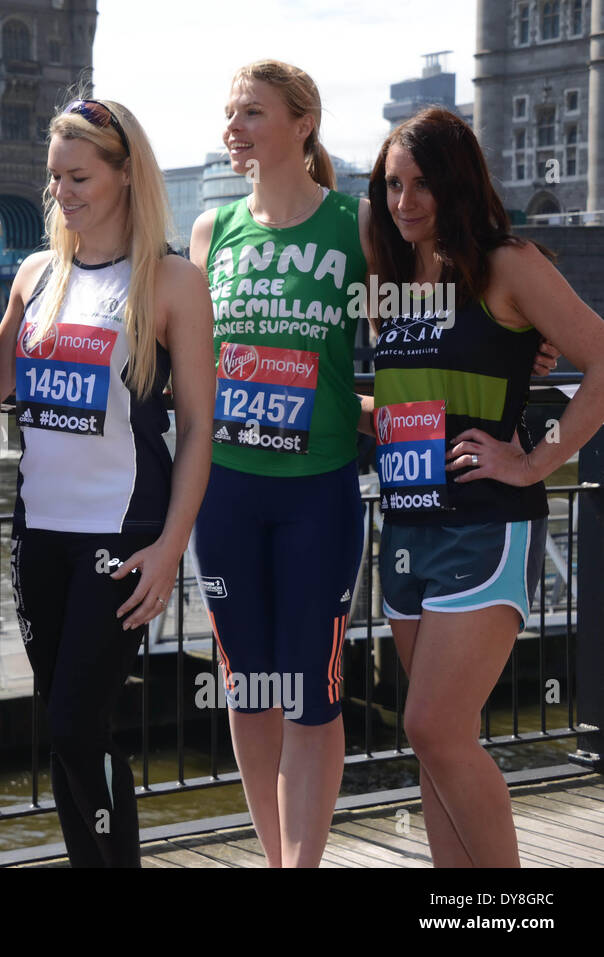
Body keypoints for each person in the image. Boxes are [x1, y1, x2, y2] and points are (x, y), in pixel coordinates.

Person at [366, 107, 604, 867]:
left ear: (458, 181)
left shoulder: (509, 262)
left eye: (422, 183)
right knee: (441, 746)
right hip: (406, 522)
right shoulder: (398, 273)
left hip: (483, 523)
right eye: (394, 184)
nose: (405, 201)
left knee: (432, 727)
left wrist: (536, 461)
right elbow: (408, 403)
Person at [0, 98, 215, 867]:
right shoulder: (34, 273)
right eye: (54, 178)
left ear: (127, 174)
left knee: (76, 725)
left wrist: (170, 547)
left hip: (120, 541)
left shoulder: (173, 284)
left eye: (81, 175)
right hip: (38, 537)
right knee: (65, 725)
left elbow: (197, 431)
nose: (63, 192)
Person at [187, 61, 372, 867]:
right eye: (230, 114)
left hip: (317, 496)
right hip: (225, 492)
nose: (234, 127)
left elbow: (428, 327)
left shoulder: (357, 226)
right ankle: (276, 859)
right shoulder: (209, 233)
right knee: (248, 688)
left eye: (252, 112)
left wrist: (526, 350)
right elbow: (184, 365)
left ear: (303, 125)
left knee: (311, 694)